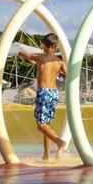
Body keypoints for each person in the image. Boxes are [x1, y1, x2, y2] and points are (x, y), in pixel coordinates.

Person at [18, 33, 67, 161]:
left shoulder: (40, 58)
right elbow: (67, 76)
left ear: (45, 45)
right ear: (55, 46)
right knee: (47, 125)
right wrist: (59, 73)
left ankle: (60, 142)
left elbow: (27, 55)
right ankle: (46, 156)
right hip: (54, 93)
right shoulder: (59, 61)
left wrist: (20, 52)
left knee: (41, 126)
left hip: (44, 93)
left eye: (42, 44)